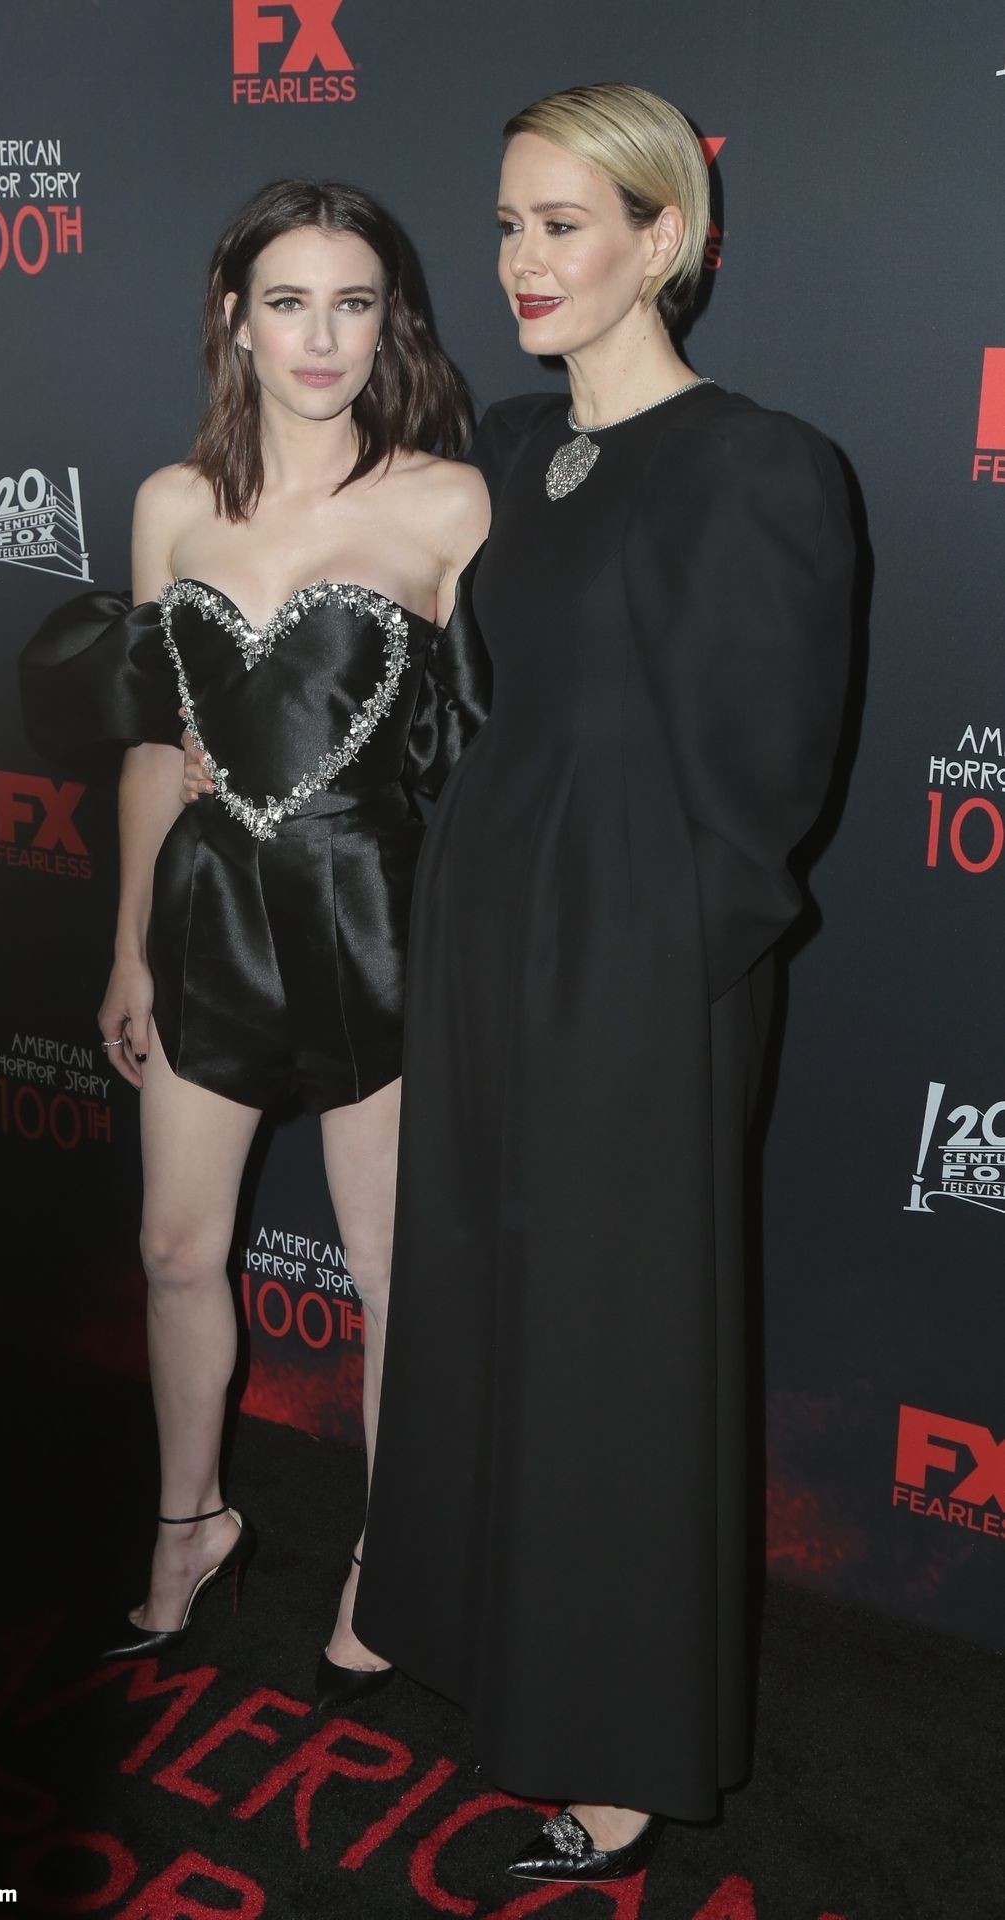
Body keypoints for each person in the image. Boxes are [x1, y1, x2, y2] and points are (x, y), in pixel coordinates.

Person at [346, 85, 856, 1884]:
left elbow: (767, 782)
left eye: (563, 223)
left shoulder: (758, 463)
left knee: (621, 1341)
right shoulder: (502, 445)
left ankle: (628, 1746)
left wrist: (655, 967)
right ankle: (478, 1639)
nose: (520, 260)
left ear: (663, 238)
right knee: (494, 1298)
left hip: (640, 955)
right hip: (486, 923)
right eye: (505, 224)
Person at [19, 179, 490, 1697]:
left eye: (354, 303)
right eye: (289, 302)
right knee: (173, 1248)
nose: (322, 337)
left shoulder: (447, 503)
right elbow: (152, 747)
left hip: (374, 917)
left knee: (389, 1272)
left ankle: (388, 1556)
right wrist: (126, 947)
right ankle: (189, 1526)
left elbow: (492, 749)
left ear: (390, 321)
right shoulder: (172, 502)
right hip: (208, 907)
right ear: (235, 317)